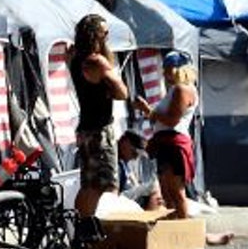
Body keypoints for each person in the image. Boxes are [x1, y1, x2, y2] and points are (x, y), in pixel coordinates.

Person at [70, 13, 129, 234]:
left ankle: (81, 229)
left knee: (88, 184)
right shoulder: (98, 61)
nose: (107, 37)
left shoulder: (76, 59)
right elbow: (122, 92)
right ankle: (105, 229)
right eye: (105, 33)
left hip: (85, 127)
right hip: (100, 129)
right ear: (97, 35)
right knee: (107, 185)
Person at [133, 51, 199, 220]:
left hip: (174, 143)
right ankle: (173, 230)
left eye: (168, 69)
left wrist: (148, 110)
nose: (165, 74)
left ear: (179, 70)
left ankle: (182, 230)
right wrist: (150, 112)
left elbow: (172, 120)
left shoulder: (181, 89)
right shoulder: (175, 90)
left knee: (175, 192)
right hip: (167, 143)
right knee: (168, 193)